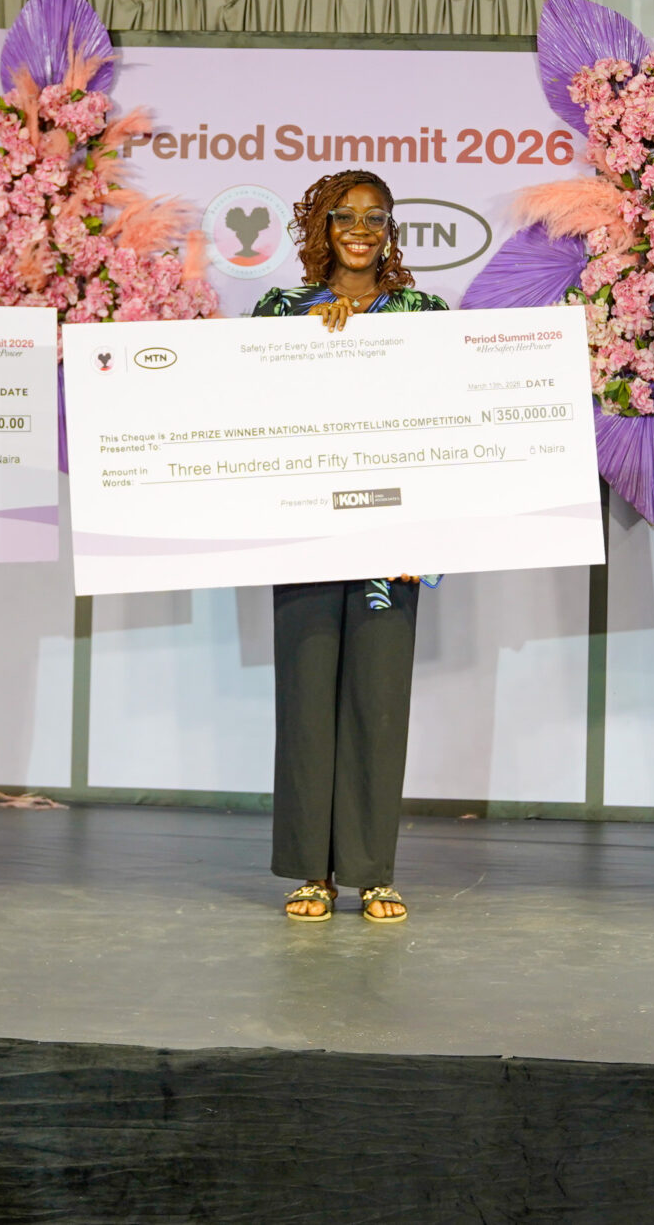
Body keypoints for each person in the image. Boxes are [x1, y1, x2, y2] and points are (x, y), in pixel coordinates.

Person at [250, 170, 448, 924]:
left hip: (390, 538)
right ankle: (311, 871)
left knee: (378, 701)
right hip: (303, 530)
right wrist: (309, 337)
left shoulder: (425, 315)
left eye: (376, 217)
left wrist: (434, 528)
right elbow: (248, 403)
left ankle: (371, 871)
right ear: (322, 228)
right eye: (345, 216)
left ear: (391, 230)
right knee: (305, 699)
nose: (361, 229)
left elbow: (448, 415)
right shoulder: (280, 310)